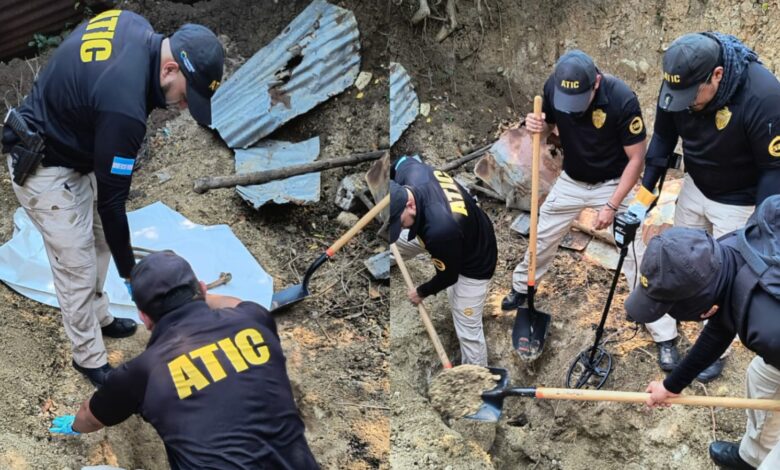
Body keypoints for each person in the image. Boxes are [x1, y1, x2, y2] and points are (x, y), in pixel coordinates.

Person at [1, 10, 224, 386]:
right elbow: (112, 203)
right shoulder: (126, 110)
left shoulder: (132, 23)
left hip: (76, 144)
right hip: (42, 165)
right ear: (169, 70)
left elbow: (109, 206)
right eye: (186, 97)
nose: (184, 106)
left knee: (102, 238)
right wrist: (132, 277)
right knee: (76, 265)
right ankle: (87, 358)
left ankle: (100, 314)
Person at [48, 251, 319, 470]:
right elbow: (235, 302)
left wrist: (75, 426)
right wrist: (198, 295)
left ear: (143, 317)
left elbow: (90, 418)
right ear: (202, 289)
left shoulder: (142, 372)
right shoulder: (255, 319)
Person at [497, 50, 673, 363]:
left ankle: (663, 332)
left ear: (596, 84)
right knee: (542, 235)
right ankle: (523, 287)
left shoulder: (622, 100)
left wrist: (612, 204)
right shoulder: (555, 87)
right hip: (572, 180)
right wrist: (537, 128)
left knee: (636, 253)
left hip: (614, 182)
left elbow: (637, 159)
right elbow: (547, 132)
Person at [637, 32, 780, 382]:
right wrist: (641, 200)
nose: (684, 104)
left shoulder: (764, 96)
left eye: (691, 97)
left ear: (716, 75)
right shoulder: (679, 82)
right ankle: (669, 326)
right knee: (679, 262)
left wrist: (757, 233)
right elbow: (662, 139)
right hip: (696, 187)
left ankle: (718, 346)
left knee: (728, 281)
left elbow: (773, 172)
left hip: (741, 202)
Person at [628, 195, 780, 470]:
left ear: (704, 308)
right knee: (762, 377)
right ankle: (753, 456)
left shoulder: (768, 328)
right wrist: (671, 385)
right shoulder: (724, 253)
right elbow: (721, 327)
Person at [389, 157, 497, 367]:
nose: (399, 228)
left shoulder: (440, 232)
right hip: (451, 227)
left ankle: (476, 380)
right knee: (393, 244)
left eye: (399, 223)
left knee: (467, 327)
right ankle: (387, 261)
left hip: (474, 260)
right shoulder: (410, 171)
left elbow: (449, 275)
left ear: (410, 204)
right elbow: (400, 161)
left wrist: (421, 292)